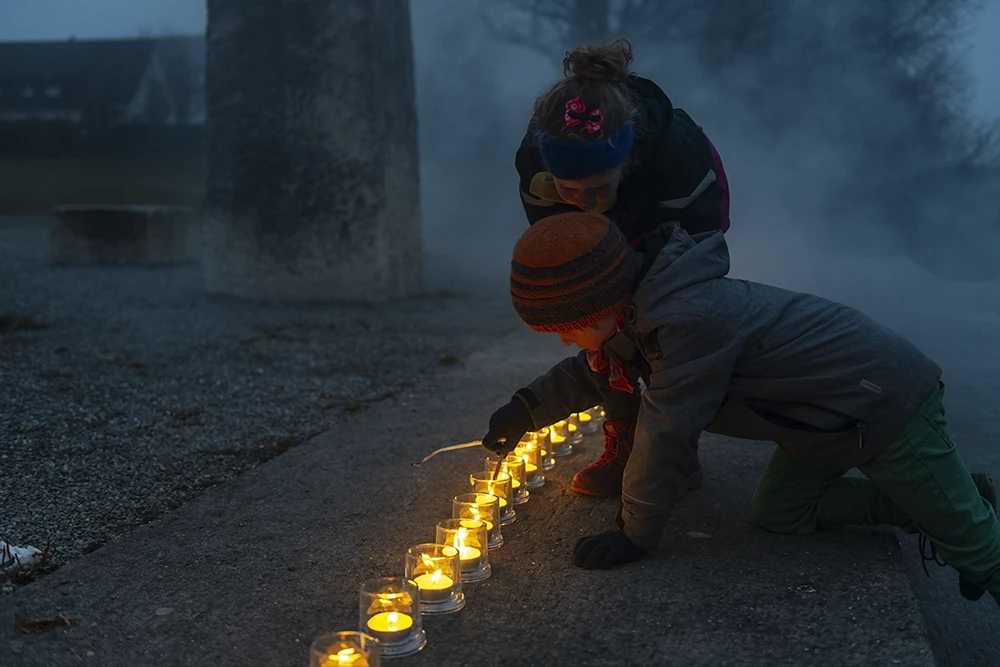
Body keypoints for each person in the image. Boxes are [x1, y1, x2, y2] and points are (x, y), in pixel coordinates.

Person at [482, 211, 1000, 608]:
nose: (563, 342)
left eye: (564, 329)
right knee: (780, 512)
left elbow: (666, 431)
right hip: (820, 423)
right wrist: (524, 410)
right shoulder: (635, 317)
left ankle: (963, 522)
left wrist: (633, 533)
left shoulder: (686, 320)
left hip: (884, 404)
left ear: (600, 306)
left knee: (980, 549)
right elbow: (592, 370)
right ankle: (949, 504)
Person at [514, 37, 731, 498]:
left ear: (625, 161)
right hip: (617, 223)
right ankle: (624, 439)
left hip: (675, 226)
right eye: (571, 191)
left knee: (660, 328)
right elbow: (558, 247)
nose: (586, 203)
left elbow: (698, 244)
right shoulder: (536, 160)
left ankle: (671, 454)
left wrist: (640, 292)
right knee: (601, 325)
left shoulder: (675, 152)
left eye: (597, 188)